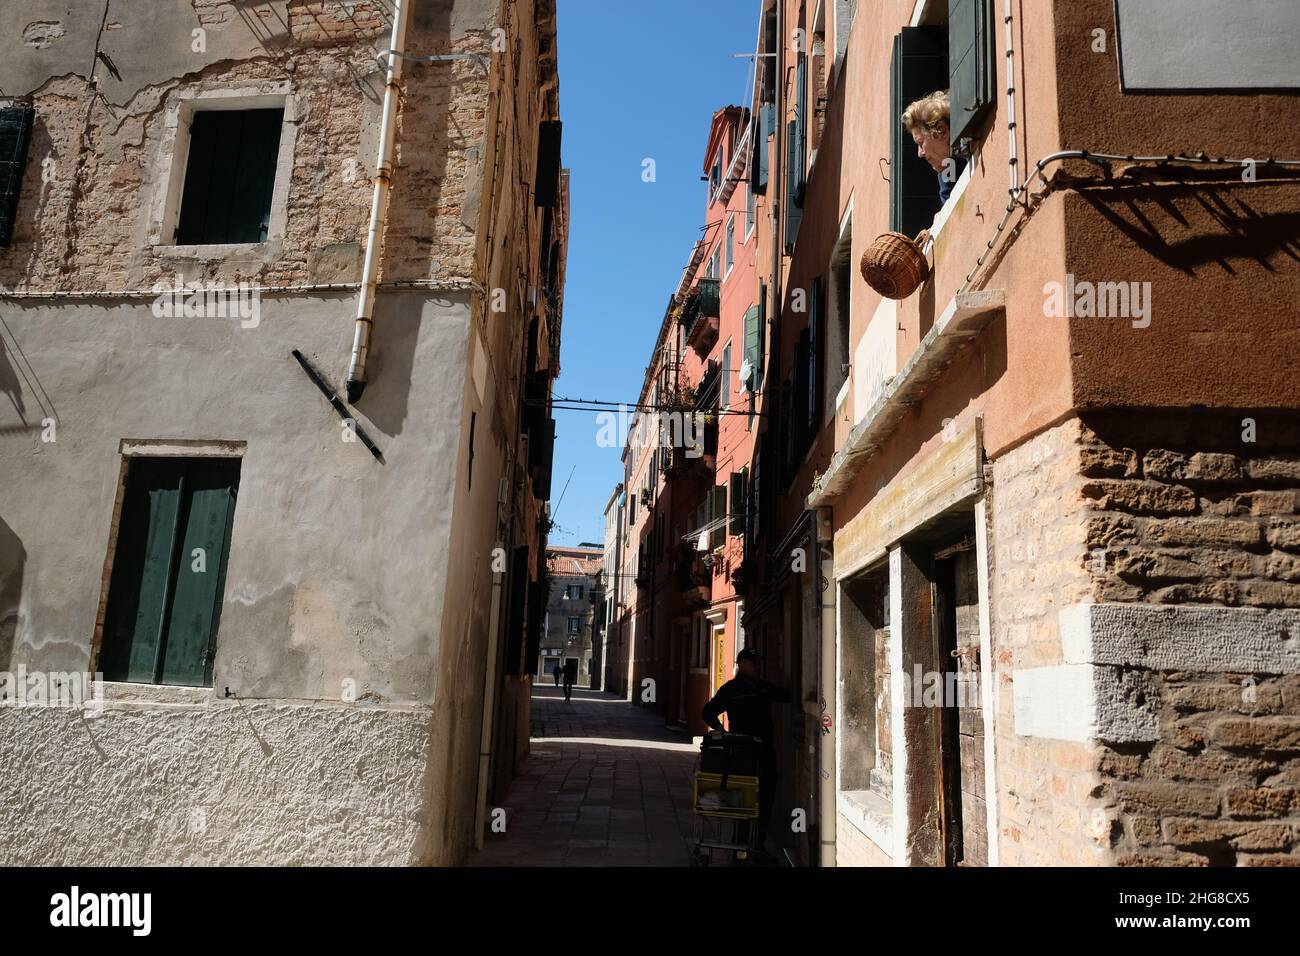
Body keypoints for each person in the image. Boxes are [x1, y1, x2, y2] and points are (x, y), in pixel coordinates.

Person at [700, 648, 790, 856]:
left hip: (765, 751)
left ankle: (757, 844)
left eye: (758, 662)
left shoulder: (763, 687)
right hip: (741, 753)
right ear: (741, 664)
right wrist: (723, 733)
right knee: (742, 797)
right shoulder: (731, 689)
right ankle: (740, 844)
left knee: (766, 797)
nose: (757, 666)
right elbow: (708, 712)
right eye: (752, 662)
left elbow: (786, 696)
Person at [901, 89, 967, 241]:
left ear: (943, 132)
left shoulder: (965, 160)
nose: (920, 153)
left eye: (920, 143)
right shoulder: (948, 170)